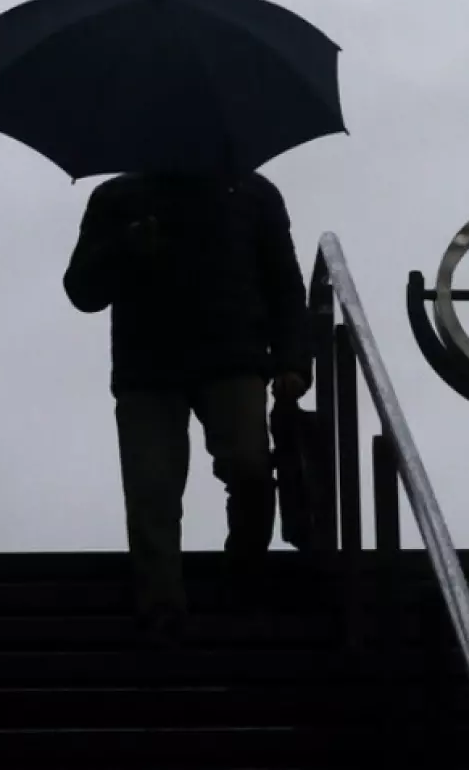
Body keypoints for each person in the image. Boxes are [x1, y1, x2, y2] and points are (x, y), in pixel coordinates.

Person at [63, 168, 311, 643]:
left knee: (250, 469)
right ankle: (162, 609)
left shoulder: (252, 192)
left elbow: (284, 284)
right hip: (148, 366)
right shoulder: (118, 196)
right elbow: (82, 289)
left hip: (233, 357)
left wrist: (293, 360)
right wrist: (127, 246)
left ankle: (243, 573)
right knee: (151, 488)